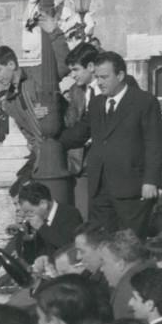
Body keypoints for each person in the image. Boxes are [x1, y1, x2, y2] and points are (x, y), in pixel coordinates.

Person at [59, 51, 162, 236]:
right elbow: (79, 133)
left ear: (120, 75)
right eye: (97, 77)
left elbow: (155, 144)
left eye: (105, 77)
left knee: (129, 246)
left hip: (132, 189)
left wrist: (151, 181)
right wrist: (50, 139)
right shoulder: (97, 103)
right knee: (100, 244)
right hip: (100, 189)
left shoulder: (144, 101)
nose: (99, 82)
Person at [0, 10, 72, 205]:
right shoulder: (9, 102)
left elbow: (65, 64)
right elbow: (29, 135)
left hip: (65, 153)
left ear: (12, 64)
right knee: (19, 196)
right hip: (41, 159)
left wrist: (54, 32)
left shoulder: (39, 75)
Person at [63, 42, 100, 219]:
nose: (72, 75)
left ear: (91, 67)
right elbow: (70, 123)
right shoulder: (75, 91)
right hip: (82, 163)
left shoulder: (112, 89)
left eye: (76, 69)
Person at [100, 229, 154, 321]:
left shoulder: (125, 294)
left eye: (104, 262)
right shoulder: (153, 270)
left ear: (120, 265)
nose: (101, 269)